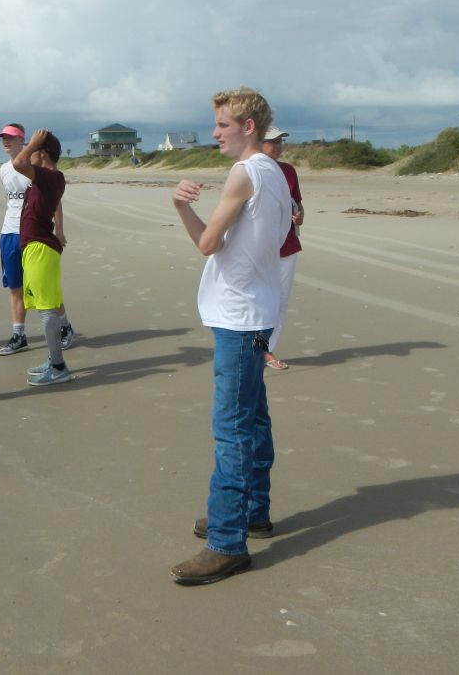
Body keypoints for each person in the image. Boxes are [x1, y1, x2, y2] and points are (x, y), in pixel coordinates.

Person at [168, 87, 291, 586]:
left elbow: (206, 243)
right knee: (252, 416)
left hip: (239, 317)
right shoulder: (276, 172)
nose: (215, 132)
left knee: (234, 427)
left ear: (249, 127)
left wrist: (181, 206)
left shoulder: (246, 172)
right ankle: (252, 513)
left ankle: (227, 540)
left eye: (223, 124)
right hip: (258, 310)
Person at [0, 124, 75, 355]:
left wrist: (59, 229)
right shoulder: (3, 170)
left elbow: (54, 200)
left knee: (44, 291)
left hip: (35, 237)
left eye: (10, 137)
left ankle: (64, 329)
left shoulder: (37, 171)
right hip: (11, 232)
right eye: (3, 138)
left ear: (25, 141)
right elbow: (11, 200)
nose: (6, 141)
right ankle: (19, 334)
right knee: (16, 287)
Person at [260, 126, 304, 371]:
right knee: (261, 303)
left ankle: (265, 349)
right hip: (259, 250)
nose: (276, 146)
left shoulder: (288, 171)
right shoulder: (250, 171)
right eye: (270, 141)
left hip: (287, 246)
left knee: (281, 302)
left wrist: (299, 217)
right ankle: (259, 349)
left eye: (279, 141)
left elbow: (298, 205)